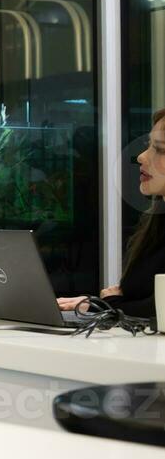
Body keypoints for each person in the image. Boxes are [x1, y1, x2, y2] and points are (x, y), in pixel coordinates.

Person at [59, 107, 165, 319]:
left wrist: (109, 304)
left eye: (160, 149)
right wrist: (98, 304)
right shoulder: (155, 222)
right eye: (148, 147)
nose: (142, 157)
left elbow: (158, 309)